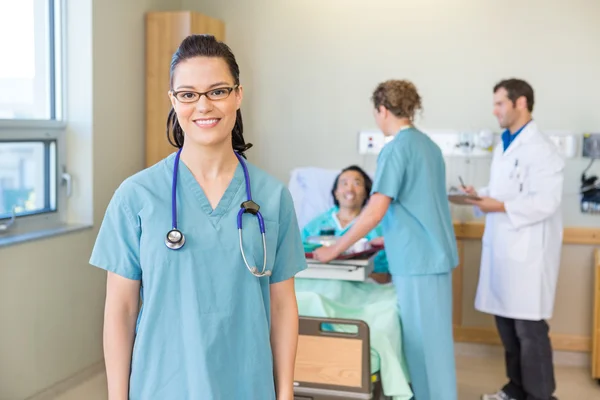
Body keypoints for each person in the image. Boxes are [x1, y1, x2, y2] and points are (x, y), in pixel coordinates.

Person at [89, 34, 307, 400]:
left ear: (238, 94)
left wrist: (284, 394)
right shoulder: (137, 196)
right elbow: (121, 310)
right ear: (174, 101)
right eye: (188, 94)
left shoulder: (272, 197)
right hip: (163, 385)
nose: (203, 106)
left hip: (247, 385)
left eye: (217, 91)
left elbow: (283, 307)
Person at [313, 80, 459, 400]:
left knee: (422, 347)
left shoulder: (396, 148)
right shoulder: (429, 146)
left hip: (418, 260)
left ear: (382, 109)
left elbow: (375, 211)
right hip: (435, 256)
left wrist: (333, 249)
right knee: (437, 346)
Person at [464, 79, 564, 400]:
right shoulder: (506, 144)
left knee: (529, 331)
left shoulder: (542, 149)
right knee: (507, 327)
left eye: (499, 104)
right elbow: (508, 190)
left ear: (520, 103)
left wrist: (498, 205)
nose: (494, 111)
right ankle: (516, 388)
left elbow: (546, 202)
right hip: (504, 250)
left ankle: (540, 395)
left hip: (529, 254)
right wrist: (479, 195)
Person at [301, 165, 390, 284]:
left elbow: (383, 277)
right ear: (336, 193)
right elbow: (295, 260)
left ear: (366, 193)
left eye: (357, 183)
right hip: (318, 285)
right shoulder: (315, 225)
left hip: (360, 289)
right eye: (344, 183)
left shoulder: (377, 230)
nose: (350, 189)